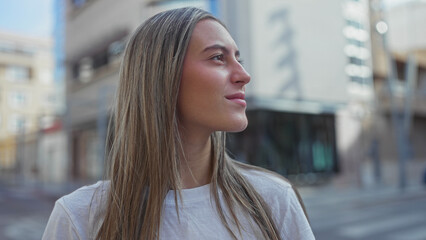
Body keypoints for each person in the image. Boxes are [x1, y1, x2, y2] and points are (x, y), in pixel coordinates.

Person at [42, 7, 315, 240]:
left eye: (238, 59)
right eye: (218, 57)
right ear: (163, 77)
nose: (244, 75)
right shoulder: (79, 218)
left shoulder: (274, 199)